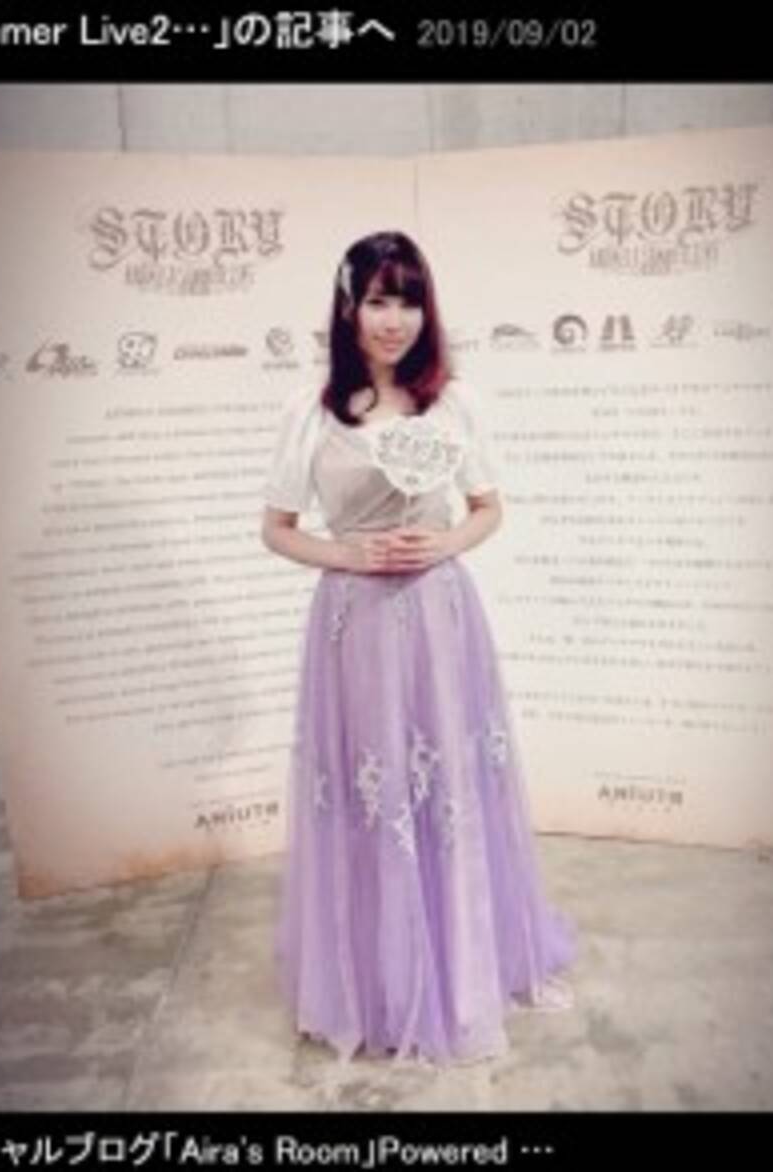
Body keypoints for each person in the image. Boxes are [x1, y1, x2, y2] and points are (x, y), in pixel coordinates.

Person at [261, 231, 577, 1064]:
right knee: (371, 791)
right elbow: (277, 529)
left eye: (407, 301)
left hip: (439, 617)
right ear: (348, 308)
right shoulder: (312, 410)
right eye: (377, 300)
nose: (393, 320)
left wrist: (442, 544)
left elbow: (487, 508)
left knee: (448, 786)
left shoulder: (452, 403)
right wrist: (345, 553)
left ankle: (462, 970)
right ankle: (376, 981)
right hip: (354, 624)